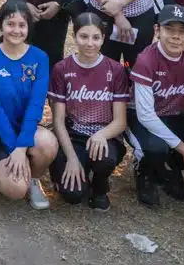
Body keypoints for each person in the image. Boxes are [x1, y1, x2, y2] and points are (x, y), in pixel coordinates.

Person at [128, 5, 184, 207]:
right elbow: (146, 116)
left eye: (183, 31)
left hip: (174, 115)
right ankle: (145, 171)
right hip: (140, 118)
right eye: (169, 29)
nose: (176, 37)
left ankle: (170, 169)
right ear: (157, 31)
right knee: (156, 148)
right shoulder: (146, 59)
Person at [0, 0, 59, 209]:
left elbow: (36, 105)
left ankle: (33, 179)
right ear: (1, 25)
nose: (16, 30)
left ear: (28, 28)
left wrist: (22, 146)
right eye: (10, 24)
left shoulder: (39, 57)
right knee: (15, 191)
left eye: (22, 25)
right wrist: (14, 148)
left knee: (47, 143)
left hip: (25, 131)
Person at [48, 13, 131, 211]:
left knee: (103, 159)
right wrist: (72, 158)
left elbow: (120, 121)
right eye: (83, 36)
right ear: (74, 37)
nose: (90, 43)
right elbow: (58, 121)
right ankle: (62, 169)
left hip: (105, 136)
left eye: (96, 37)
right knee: (73, 196)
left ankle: (100, 185)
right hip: (73, 136)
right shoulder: (62, 68)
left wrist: (101, 134)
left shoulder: (116, 70)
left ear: (103, 39)